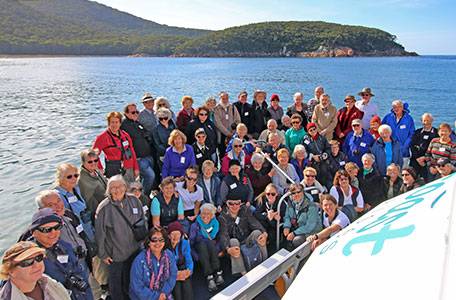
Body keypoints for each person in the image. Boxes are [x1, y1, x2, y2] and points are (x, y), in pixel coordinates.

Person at [95, 175, 146, 300]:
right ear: (108, 190)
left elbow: (143, 220)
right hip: (116, 253)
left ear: (125, 187)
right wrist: (103, 254)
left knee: (132, 279)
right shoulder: (104, 208)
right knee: (116, 284)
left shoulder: (134, 200)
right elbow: (100, 233)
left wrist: (144, 240)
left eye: (119, 186)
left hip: (135, 249)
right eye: (113, 188)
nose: (117, 190)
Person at [29, 209, 93, 300]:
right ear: (34, 232)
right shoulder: (28, 257)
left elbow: (78, 269)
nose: (53, 233)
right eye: (47, 229)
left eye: (57, 227)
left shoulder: (65, 246)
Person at [0, 241, 70, 299]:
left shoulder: (49, 282)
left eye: (38, 258)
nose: (36, 265)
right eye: (27, 262)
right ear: (11, 271)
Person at [218, 198, 268, 275]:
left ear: (240, 204)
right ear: (227, 204)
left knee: (258, 233)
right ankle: (244, 273)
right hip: (234, 245)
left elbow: (254, 222)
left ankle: (266, 263)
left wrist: (264, 233)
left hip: (246, 240)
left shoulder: (244, 211)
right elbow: (223, 235)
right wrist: (228, 249)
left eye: (237, 203)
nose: (234, 206)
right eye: (231, 203)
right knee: (233, 241)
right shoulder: (222, 217)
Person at [129, 227, 177, 300]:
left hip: (163, 295)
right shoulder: (139, 260)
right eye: (154, 240)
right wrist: (156, 296)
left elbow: (173, 275)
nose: (158, 243)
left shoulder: (169, 255)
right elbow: (137, 287)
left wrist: (163, 294)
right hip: (143, 297)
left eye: (161, 240)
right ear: (148, 242)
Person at [54, 163, 95, 245]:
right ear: (60, 178)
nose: (74, 178)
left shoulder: (76, 188)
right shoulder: (58, 196)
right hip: (77, 235)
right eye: (69, 177)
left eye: (76, 175)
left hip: (87, 227)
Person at [121, 103, 156, 196]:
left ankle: (143, 196)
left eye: (137, 112)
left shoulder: (136, 122)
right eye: (133, 112)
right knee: (150, 176)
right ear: (126, 113)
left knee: (144, 179)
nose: (136, 114)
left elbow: (146, 133)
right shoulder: (125, 125)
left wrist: (145, 134)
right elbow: (138, 135)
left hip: (148, 156)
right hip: (139, 158)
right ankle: (142, 195)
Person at [93, 111, 139, 181]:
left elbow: (132, 151)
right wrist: (100, 169)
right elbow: (93, 155)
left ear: (120, 123)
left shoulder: (125, 135)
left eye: (117, 122)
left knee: (130, 190)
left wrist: (136, 168)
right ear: (108, 123)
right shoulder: (102, 137)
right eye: (112, 122)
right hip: (114, 170)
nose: (114, 125)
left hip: (128, 168)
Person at [189, 203, 224, 292]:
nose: (205, 216)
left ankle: (217, 272)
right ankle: (210, 277)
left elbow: (219, 238)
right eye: (203, 213)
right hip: (200, 250)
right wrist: (195, 255)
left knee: (210, 243)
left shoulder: (216, 223)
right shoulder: (195, 226)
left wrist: (220, 249)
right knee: (202, 244)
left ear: (212, 215)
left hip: (213, 248)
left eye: (208, 213)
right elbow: (191, 242)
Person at [283, 183, 321, 250]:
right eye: (293, 193)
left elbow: (310, 226)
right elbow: (287, 216)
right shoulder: (291, 203)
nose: (296, 194)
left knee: (297, 240)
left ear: (303, 192)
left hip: (312, 231)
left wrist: (294, 233)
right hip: (299, 228)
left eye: (298, 192)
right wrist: (286, 226)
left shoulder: (311, 205)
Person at [254, 184, 285, 252]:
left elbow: (284, 216)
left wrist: (276, 217)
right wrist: (267, 216)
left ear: (276, 194)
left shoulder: (281, 201)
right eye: (268, 194)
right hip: (265, 222)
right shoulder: (262, 199)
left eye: (273, 194)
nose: (270, 196)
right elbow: (256, 214)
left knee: (272, 234)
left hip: (276, 225)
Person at [78, 149, 108, 220]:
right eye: (90, 161)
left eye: (96, 160)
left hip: (107, 204)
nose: (93, 163)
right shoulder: (81, 178)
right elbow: (88, 201)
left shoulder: (96, 171)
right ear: (83, 162)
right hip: (99, 212)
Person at [167, 222, 193, 300]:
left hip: (182, 267)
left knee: (187, 288)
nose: (175, 237)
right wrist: (174, 275)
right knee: (177, 290)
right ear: (168, 236)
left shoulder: (184, 243)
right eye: (173, 234)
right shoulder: (164, 246)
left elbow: (189, 260)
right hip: (171, 271)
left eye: (178, 234)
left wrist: (188, 271)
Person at [410, 113, 439, 181]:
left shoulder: (437, 133)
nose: (426, 122)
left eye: (428, 120)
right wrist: (417, 158)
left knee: (428, 181)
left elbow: (437, 147)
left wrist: (425, 157)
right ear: (421, 121)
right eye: (424, 120)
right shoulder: (417, 132)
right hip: (416, 160)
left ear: (432, 120)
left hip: (430, 161)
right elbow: (412, 146)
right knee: (413, 180)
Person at [302, 122, 332, 188]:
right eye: (311, 130)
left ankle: (325, 188)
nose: (313, 131)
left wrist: (325, 155)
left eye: (314, 129)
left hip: (323, 160)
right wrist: (312, 156)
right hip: (313, 162)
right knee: (315, 176)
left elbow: (328, 148)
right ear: (308, 131)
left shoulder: (322, 138)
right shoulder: (305, 139)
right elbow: (304, 150)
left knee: (325, 173)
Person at [214, 91, 241, 155]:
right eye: (223, 98)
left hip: (233, 134)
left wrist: (234, 131)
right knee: (222, 154)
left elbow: (238, 120)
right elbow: (218, 123)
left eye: (226, 98)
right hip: (221, 135)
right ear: (220, 98)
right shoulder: (216, 108)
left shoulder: (232, 107)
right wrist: (228, 133)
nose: (225, 100)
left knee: (233, 153)